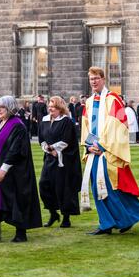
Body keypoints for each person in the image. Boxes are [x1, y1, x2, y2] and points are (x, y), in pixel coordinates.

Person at [80, 66, 139, 235]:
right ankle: (106, 223)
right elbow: (86, 125)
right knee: (97, 188)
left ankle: (126, 219)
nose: (94, 82)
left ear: (103, 79)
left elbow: (117, 125)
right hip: (94, 151)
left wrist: (102, 145)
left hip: (108, 151)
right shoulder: (88, 102)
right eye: (91, 79)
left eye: (96, 78)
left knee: (111, 187)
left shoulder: (113, 99)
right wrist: (89, 146)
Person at [0, 96, 42, 242]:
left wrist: (4, 168)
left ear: (10, 108)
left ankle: (21, 233)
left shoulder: (17, 125)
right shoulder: (1, 123)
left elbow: (16, 150)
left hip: (14, 171)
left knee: (16, 200)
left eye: (2, 107)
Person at [38, 96, 81, 228]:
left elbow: (67, 140)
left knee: (63, 188)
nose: (50, 108)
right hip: (49, 157)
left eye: (52, 106)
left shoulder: (66, 121)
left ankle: (66, 217)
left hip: (63, 159)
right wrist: (48, 149)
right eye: (49, 106)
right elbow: (41, 138)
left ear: (59, 107)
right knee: (44, 185)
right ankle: (53, 213)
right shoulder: (45, 121)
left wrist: (55, 148)